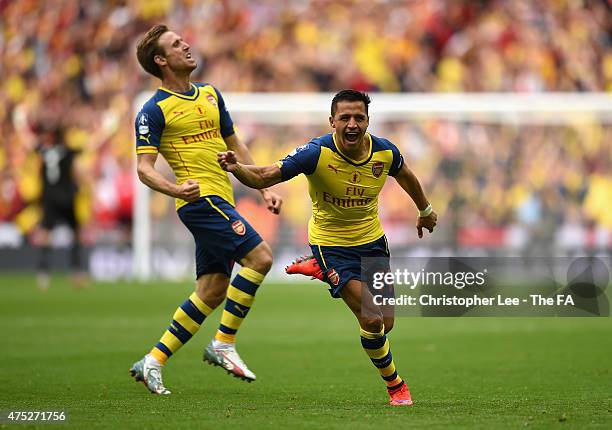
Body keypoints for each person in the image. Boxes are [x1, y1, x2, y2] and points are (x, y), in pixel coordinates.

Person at [217, 89, 437, 406]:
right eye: (344, 118)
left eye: (358, 118)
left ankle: (321, 272)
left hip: (372, 243)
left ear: (367, 121)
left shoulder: (385, 152)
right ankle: (396, 386)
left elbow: (406, 175)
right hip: (331, 245)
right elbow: (264, 175)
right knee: (372, 319)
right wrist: (236, 167)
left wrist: (425, 210)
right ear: (332, 121)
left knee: (387, 323)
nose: (351, 124)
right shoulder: (316, 153)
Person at [130, 24, 282, 395]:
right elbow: (144, 168)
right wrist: (176, 188)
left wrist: (263, 187)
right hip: (200, 203)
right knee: (260, 259)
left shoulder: (211, 94)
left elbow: (235, 143)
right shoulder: (154, 110)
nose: (186, 45)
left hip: (222, 198)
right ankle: (223, 343)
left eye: (183, 40)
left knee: (213, 291)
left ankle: (153, 360)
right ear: (161, 61)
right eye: (175, 44)